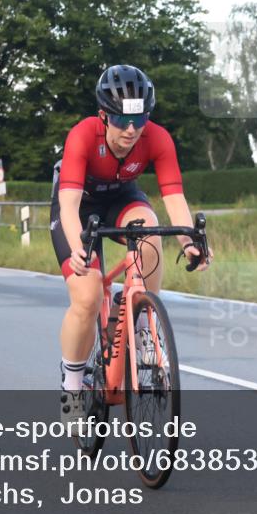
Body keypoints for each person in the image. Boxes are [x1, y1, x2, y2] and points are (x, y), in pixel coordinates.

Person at [50, 64, 212, 421]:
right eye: (121, 120)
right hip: (79, 205)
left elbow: (173, 198)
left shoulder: (157, 138)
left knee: (150, 229)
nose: (130, 130)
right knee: (88, 295)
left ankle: (141, 325)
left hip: (123, 198)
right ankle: (73, 384)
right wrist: (80, 248)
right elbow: (69, 205)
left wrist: (189, 242)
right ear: (103, 116)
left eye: (139, 121)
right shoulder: (82, 136)